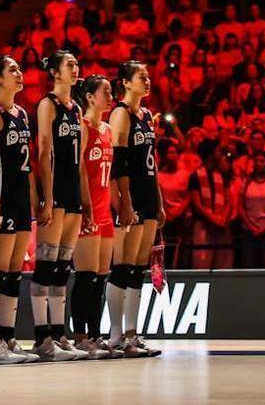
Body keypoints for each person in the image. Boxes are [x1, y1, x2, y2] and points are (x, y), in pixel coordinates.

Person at [0, 55, 40, 364]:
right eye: (12, 69)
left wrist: (34, 201)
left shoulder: (22, 114)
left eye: (19, 68)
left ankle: (8, 336)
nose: (19, 73)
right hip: (0, 198)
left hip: (20, 199)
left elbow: (27, 165)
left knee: (14, 271)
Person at [32, 50, 91, 361]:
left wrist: (86, 203)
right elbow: (44, 151)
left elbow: (79, 160)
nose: (75, 68)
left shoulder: (76, 108)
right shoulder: (47, 104)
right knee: (46, 265)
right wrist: (48, 196)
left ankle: (58, 334)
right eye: (70, 64)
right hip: (54, 193)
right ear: (54, 72)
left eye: (76, 64)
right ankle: (42, 337)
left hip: (72, 194)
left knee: (62, 267)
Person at [106, 61, 162, 357]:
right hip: (131, 196)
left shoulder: (147, 115)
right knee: (123, 265)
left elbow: (153, 162)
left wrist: (159, 202)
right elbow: (118, 162)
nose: (147, 80)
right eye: (142, 76)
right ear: (126, 83)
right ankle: (116, 335)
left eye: (148, 76)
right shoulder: (120, 113)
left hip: (148, 195)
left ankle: (132, 333)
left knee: (139, 267)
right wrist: (124, 201)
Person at [69, 74, 118, 359]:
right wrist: (86, 207)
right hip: (88, 210)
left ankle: (97, 335)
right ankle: (80, 337)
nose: (110, 97)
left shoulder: (108, 129)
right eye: (105, 92)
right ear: (89, 97)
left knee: (100, 279)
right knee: (85, 277)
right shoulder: (83, 126)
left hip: (105, 211)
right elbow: (79, 171)